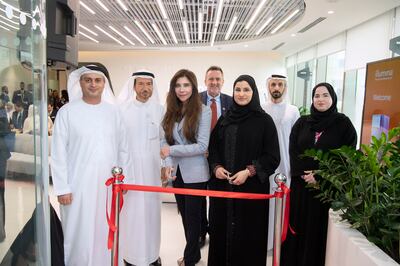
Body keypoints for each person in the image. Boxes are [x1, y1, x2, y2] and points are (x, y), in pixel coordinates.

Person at [51, 65, 130, 266]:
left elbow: (123, 149)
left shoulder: (114, 113)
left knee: (104, 231)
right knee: (79, 233)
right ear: (81, 83)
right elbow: (58, 153)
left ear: (104, 84)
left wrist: (124, 181)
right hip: (77, 188)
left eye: (98, 80)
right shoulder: (67, 112)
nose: (93, 84)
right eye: (88, 80)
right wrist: (62, 188)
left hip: (109, 187)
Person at [281, 82, 357, 266]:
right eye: (316, 95)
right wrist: (304, 174)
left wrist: (321, 176)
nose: (320, 99)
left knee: (319, 231)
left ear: (333, 98)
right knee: (298, 228)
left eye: (325, 95)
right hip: (301, 186)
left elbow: (346, 156)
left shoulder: (343, 124)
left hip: (327, 190)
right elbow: (293, 149)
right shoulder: (302, 122)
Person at [207, 75, 280, 266]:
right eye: (237, 90)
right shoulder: (225, 118)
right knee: (221, 234)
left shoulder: (265, 121)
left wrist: (249, 171)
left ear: (253, 92)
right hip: (223, 190)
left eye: (246, 90)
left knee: (249, 235)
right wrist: (217, 167)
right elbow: (213, 148)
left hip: (251, 191)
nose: (241, 94)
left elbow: (272, 156)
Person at [161, 69, 211, 266]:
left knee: (193, 218)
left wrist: (171, 150)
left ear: (193, 87)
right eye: (178, 85)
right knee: (184, 215)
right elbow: (163, 142)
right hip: (177, 173)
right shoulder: (171, 110)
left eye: (186, 85)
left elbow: (201, 146)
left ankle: (190, 258)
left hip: (196, 173)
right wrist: (167, 163)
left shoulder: (204, 110)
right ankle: (195, 253)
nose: (182, 89)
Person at [118, 70, 164, 266]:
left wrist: (164, 166)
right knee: (132, 213)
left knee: (152, 213)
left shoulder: (160, 110)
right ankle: (132, 256)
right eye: (141, 84)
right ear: (133, 86)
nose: (146, 89)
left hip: (153, 170)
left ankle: (152, 255)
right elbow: (118, 144)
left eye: (149, 84)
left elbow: (164, 141)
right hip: (131, 172)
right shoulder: (122, 110)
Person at [261, 74, 300, 250]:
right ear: (268, 87)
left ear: (285, 87)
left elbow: (297, 140)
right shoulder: (262, 108)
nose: (276, 88)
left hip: (286, 165)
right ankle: (266, 242)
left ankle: (280, 241)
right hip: (267, 165)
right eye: (273, 84)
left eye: (280, 85)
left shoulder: (293, 110)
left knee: (283, 202)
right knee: (267, 203)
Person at [198, 66, 233, 247]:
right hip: (197, 157)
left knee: (218, 197)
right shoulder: (195, 100)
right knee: (199, 198)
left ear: (223, 81)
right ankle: (201, 231)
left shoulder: (231, 101)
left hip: (220, 160)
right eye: (211, 79)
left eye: (218, 79)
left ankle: (217, 230)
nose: (214, 82)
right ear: (205, 81)